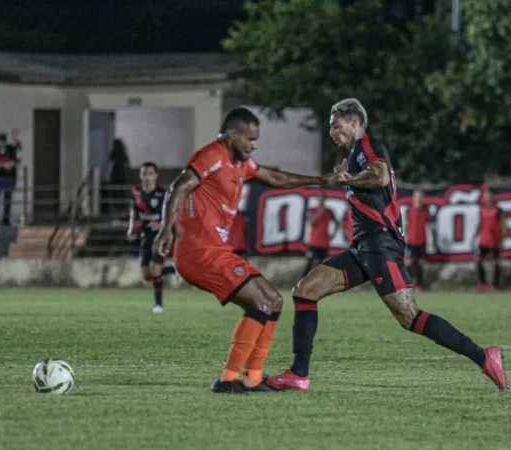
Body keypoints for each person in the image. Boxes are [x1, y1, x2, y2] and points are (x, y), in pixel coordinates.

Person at [266, 98, 507, 392]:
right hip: (362, 249)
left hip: (380, 245)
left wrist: (348, 178)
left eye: (336, 124)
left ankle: (484, 357)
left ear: (354, 121)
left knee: (409, 317)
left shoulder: (367, 146)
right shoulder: (355, 156)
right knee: (305, 290)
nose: (332, 132)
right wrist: (348, 176)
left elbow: (380, 176)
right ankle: (298, 374)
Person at [154, 107, 342, 394]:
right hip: (199, 252)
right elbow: (178, 188)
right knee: (260, 304)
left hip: (218, 251)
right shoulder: (212, 156)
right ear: (233, 135)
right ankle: (227, 380)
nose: (254, 145)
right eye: (250, 139)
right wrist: (166, 229)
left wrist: (321, 180)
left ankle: (252, 378)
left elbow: (276, 178)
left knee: (274, 301)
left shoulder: (240, 163)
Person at [127, 162, 177, 314]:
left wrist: (162, 224)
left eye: (150, 174)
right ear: (140, 175)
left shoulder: (163, 194)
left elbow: (174, 214)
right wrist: (131, 228)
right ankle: (172, 269)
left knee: (155, 271)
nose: (147, 177)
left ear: (156, 176)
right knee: (146, 276)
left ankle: (158, 304)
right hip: (145, 236)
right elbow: (133, 211)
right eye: (144, 174)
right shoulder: (136, 192)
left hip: (161, 236)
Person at [475, 188, 506, 292]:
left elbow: (503, 225)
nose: (487, 198)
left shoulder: (498, 210)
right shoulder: (482, 210)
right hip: (483, 240)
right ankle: (482, 283)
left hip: (495, 240)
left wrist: (502, 240)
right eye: (485, 196)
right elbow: (480, 223)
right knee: (478, 260)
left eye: (489, 196)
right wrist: (476, 233)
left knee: (495, 262)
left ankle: (494, 284)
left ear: (493, 197)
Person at [303, 192, 335, 276]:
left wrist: (333, 235)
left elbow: (337, 223)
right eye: (320, 199)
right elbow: (311, 222)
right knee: (309, 264)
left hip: (324, 243)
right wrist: (320, 213)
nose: (321, 201)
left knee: (324, 265)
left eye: (323, 199)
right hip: (314, 242)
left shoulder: (329, 211)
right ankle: (303, 279)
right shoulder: (312, 210)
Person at [404, 190, 428, 291]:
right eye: (417, 197)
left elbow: (428, 225)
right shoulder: (409, 210)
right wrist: (405, 237)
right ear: (413, 198)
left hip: (422, 241)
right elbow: (406, 225)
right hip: (411, 241)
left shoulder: (425, 210)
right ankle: (407, 283)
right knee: (409, 262)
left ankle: (419, 284)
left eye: (420, 197)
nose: (418, 199)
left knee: (421, 263)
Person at [107, 138, 130, 216]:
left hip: (114, 176)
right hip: (122, 176)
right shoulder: (123, 154)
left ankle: (116, 209)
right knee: (122, 193)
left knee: (114, 193)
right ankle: (122, 210)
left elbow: (110, 165)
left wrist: (108, 176)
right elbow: (127, 166)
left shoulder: (113, 153)